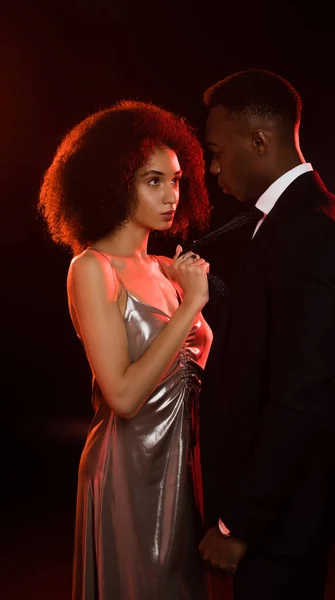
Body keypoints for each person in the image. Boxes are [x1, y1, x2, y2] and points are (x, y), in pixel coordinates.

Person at [197, 69, 335, 599]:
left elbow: (302, 395)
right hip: (284, 511)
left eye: (216, 151)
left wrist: (238, 523)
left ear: (259, 140)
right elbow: (282, 327)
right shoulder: (303, 215)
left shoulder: (308, 228)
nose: (212, 169)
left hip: (282, 518)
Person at [37, 100, 213, 600]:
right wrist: (191, 306)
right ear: (114, 181)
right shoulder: (92, 268)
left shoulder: (166, 268)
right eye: (152, 180)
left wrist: (187, 299)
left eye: (177, 180)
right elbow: (124, 397)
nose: (171, 195)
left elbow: (198, 375)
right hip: (127, 472)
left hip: (183, 469)